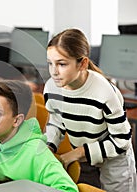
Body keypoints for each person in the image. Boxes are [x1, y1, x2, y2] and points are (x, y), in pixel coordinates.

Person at [44, 28, 136, 192]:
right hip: (83, 159)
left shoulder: (105, 92)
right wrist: (48, 147)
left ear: (83, 63)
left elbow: (122, 141)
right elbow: (57, 123)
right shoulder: (51, 88)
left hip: (114, 160)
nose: (54, 71)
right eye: (50, 63)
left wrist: (78, 153)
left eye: (62, 64)